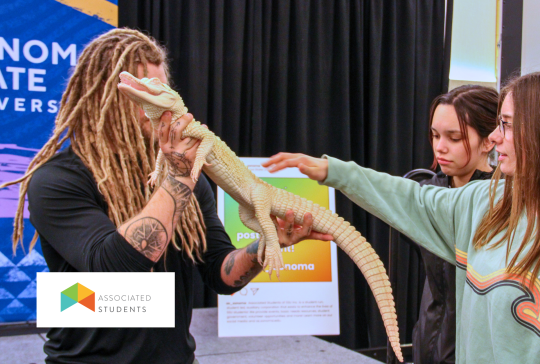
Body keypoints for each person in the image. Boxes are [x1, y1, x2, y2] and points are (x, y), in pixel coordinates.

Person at [1, 28, 331, 364]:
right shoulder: (58, 179)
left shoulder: (184, 173)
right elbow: (113, 270)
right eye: (143, 90)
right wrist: (176, 180)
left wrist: (264, 244)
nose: (156, 101)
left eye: (161, 88)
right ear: (107, 95)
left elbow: (221, 273)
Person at [263, 72, 540, 363]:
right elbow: (410, 198)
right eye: (435, 135)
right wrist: (333, 172)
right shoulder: (482, 201)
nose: (497, 136)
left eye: (506, 125)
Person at [412, 85, 498, 364]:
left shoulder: (503, 201)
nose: (440, 147)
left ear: (488, 141)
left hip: (478, 347)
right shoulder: (426, 192)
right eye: (435, 135)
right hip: (428, 339)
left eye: (454, 137)